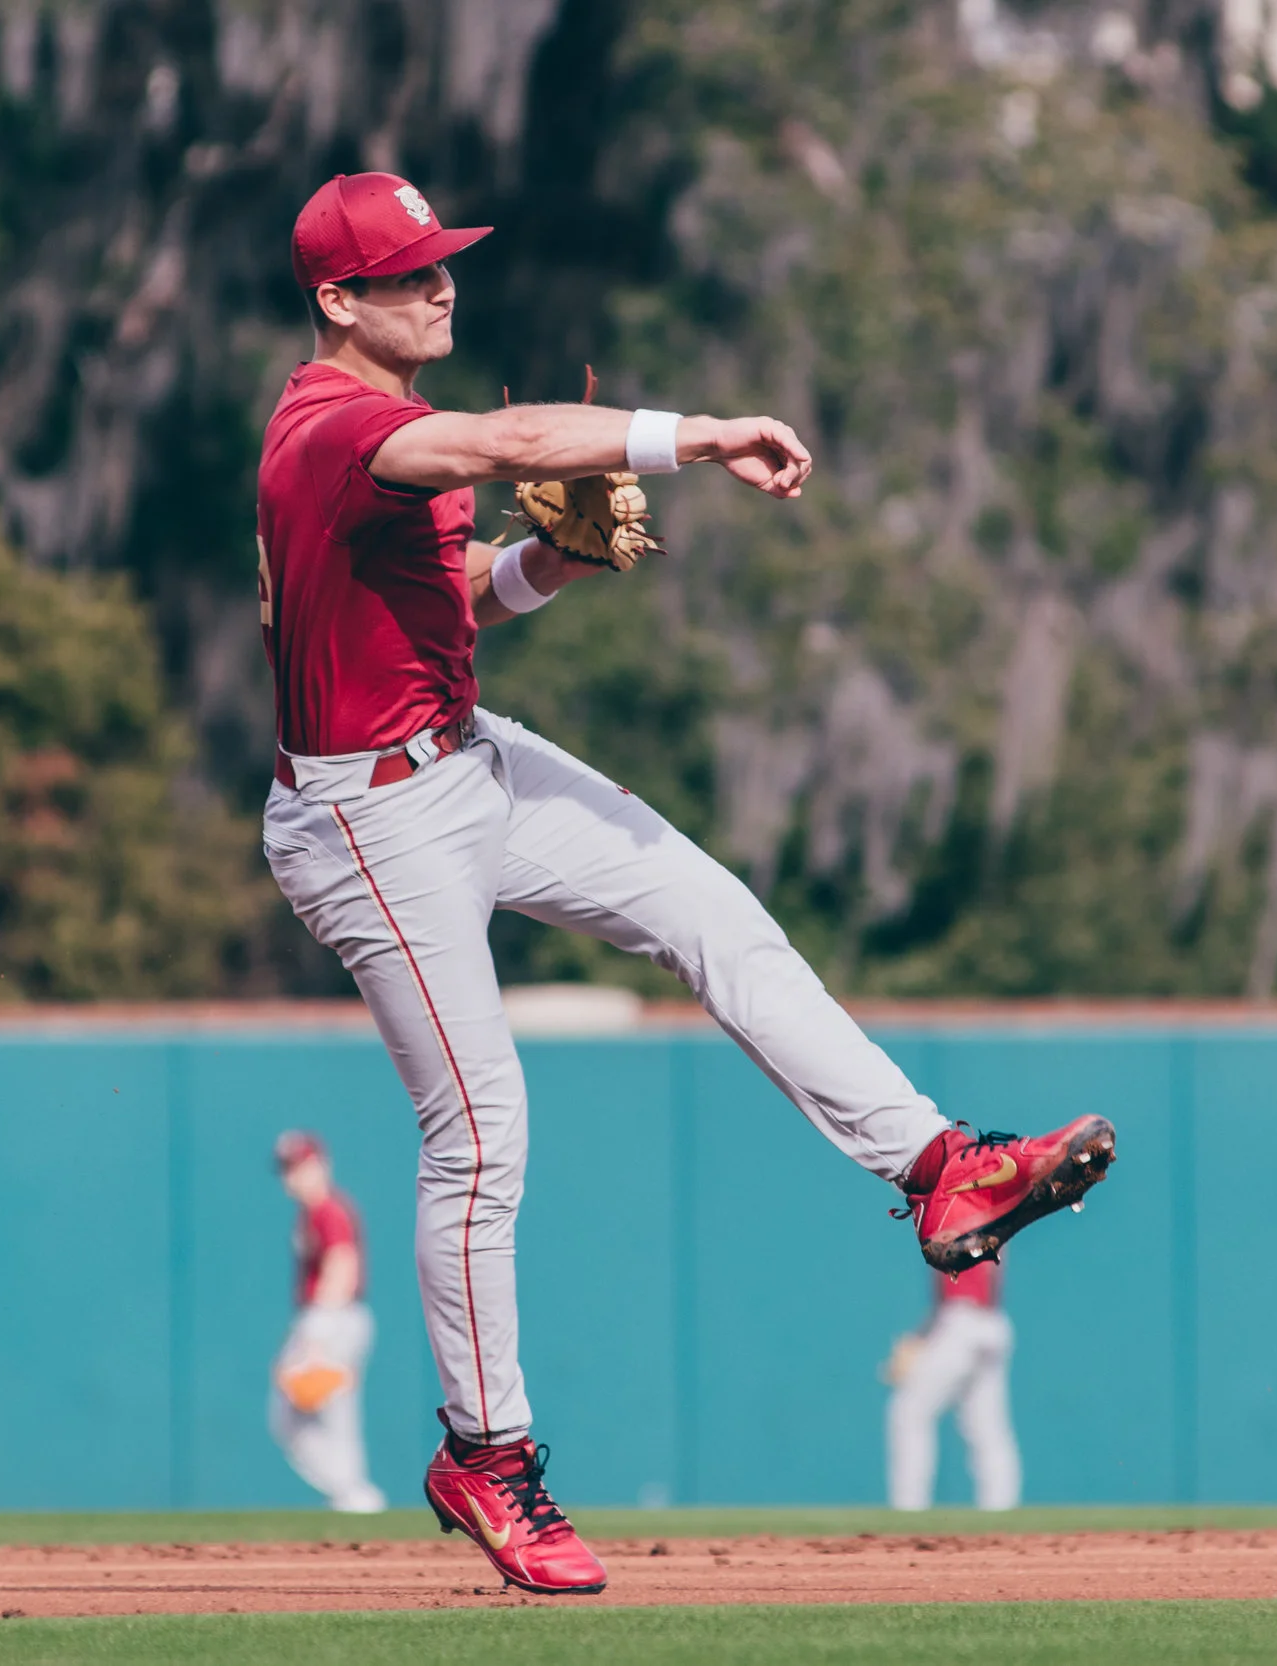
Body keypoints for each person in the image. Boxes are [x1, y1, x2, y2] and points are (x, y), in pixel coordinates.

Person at [256, 170, 1116, 1594]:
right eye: (406, 275)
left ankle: (938, 1165)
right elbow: (516, 434)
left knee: (715, 914)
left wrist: (554, 562)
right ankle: (487, 1448)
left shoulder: (385, 445)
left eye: (442, 266)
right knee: (481, 1130)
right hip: (366, 818)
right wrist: (699, 435)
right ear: (338, 299)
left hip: (462, 759)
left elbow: (448, 598)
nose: (440, 288)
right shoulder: (336, 424)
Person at [269, 1130, 387, 1514]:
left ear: (321, 1163)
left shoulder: (329, 1210)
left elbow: (342, 1264)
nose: (293, 1175)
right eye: (287, 1168)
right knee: (293, 1414)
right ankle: (349, 1490)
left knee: (331, 1411)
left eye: (300, 1165)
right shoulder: (311, 1213)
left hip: (333, 1315)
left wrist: (320, 1326)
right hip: (325, 1315)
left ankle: (354, 1492)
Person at [884, 1259, 1019, 1512]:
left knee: (909, 1412)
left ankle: (908, 1509)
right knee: (986, 1426)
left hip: (961, 1324)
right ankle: (1002, 1512)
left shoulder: (948, 1220)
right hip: (989, 1322)